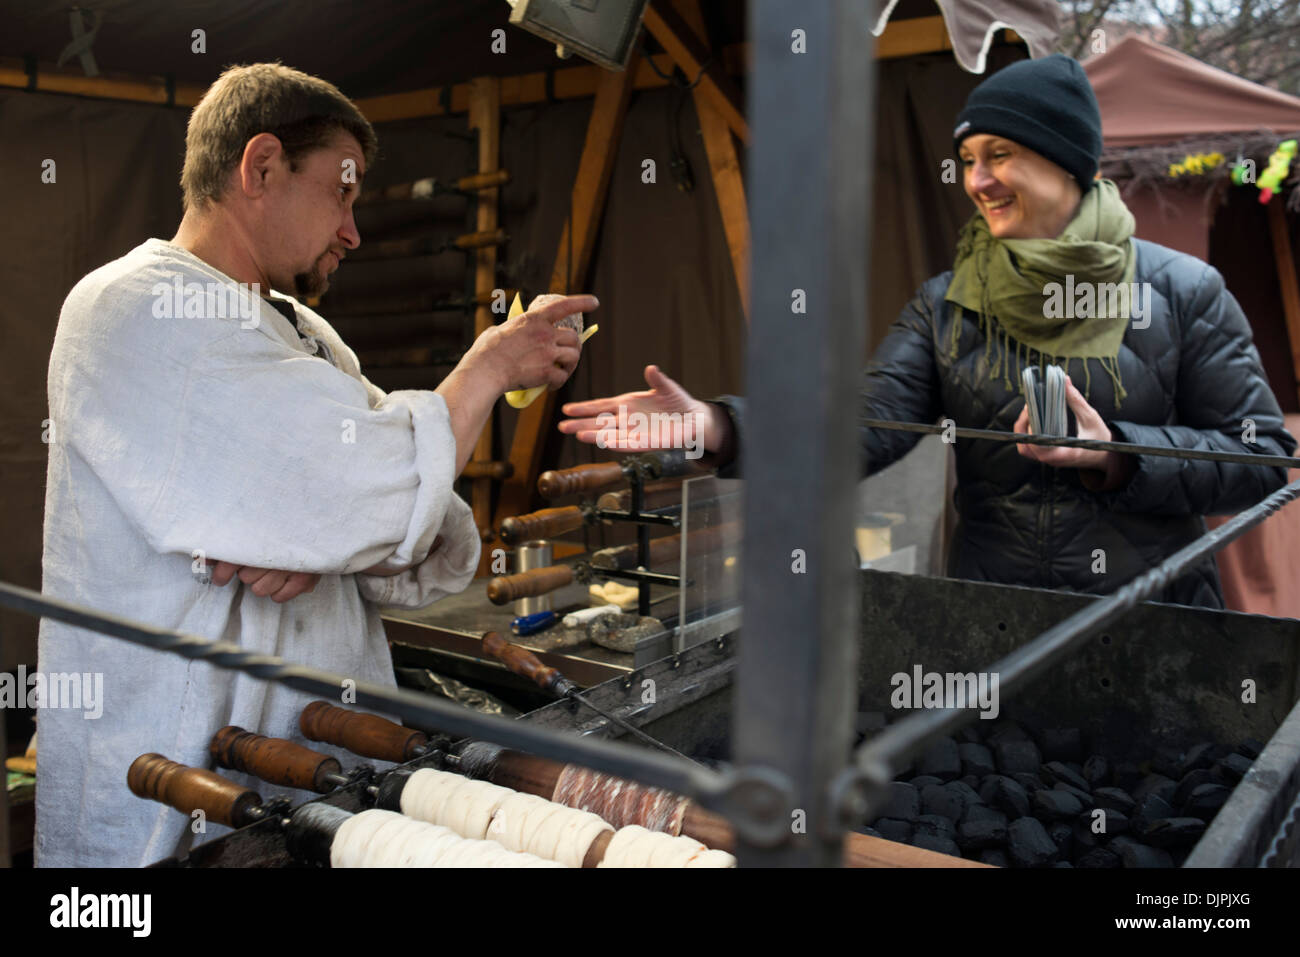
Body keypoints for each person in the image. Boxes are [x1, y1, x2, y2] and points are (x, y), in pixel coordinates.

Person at [37, 63, 595, 866]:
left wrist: (320, 532)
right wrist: (486, 369)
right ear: (261, 167)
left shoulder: (305, 330)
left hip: (322, 786)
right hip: (177, 799)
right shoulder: (127, 304)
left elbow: (407, 523)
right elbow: (365, 491)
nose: (353, 231)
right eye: (343, 191)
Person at [558, 54, 1294, 610]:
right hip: (991, 625)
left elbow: (1263, 460)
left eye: (1000, 154)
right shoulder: (949, 303)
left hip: (1155, 623)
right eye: (968, 160)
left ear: (1070, 163)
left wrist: (1119, 455)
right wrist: (722, 427)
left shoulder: (1183, 291)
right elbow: (864, 425)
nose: (977, 180)